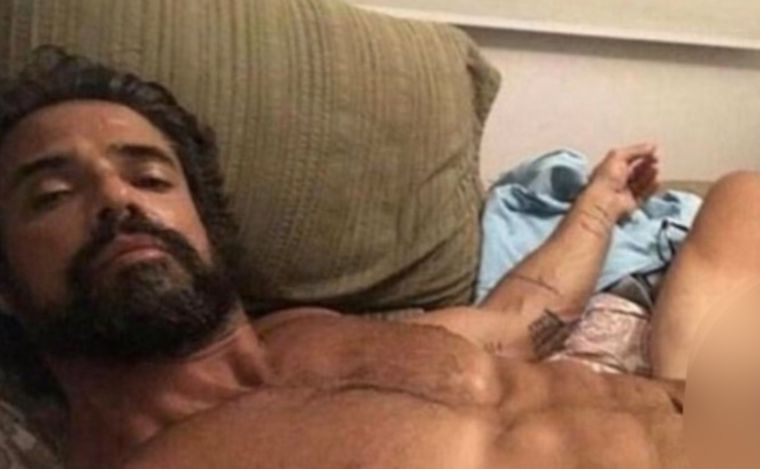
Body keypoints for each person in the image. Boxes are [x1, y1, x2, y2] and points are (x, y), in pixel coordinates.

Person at [0, 45, 739, 469]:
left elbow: (522, 319)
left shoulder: (314, 334)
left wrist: (602, 202)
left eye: (151, 178)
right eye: (51, 195)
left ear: (201, 221)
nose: (116, 199)